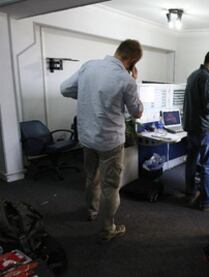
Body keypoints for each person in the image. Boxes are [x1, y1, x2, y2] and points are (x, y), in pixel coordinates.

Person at [60, 39, 144, 242]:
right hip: (110, 142)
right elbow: (137, 112)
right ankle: (108, 228)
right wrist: (134, 81)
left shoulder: (89, 66)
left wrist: (86, 96)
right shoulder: (126, 79)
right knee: (110, 186)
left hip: (87, 137)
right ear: (132, 60)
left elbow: (64, 89)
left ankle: (91, 211)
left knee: (91, 177)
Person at [183, 49, 209, 211]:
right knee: (208, 165)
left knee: (191, 162)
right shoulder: (206, 78)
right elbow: (208, 107)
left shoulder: (193, 75)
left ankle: (190, 192)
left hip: (191, 126)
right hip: (205, 129)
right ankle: (206, 201)